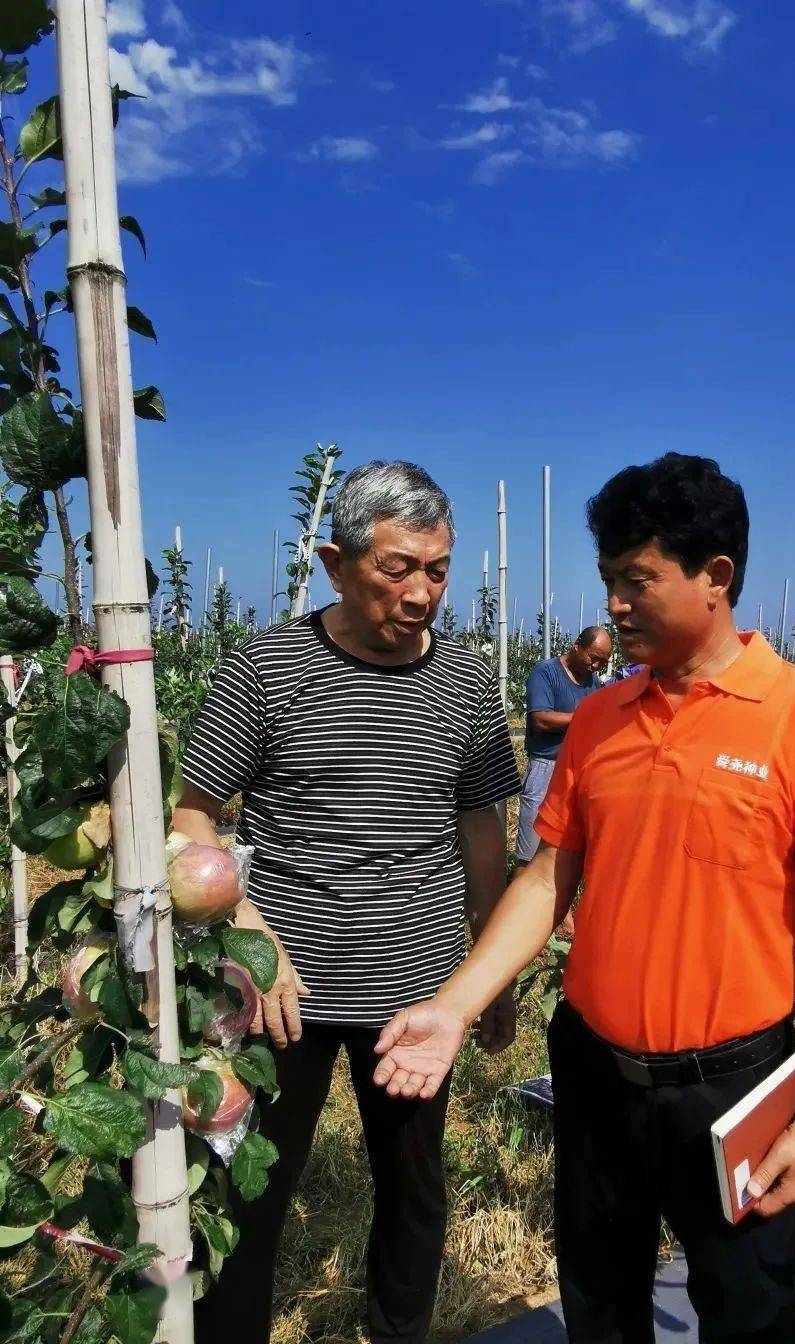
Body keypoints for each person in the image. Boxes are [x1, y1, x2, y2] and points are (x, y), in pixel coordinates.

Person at [370, 453, 795, 1344]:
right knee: (600, 1300)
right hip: (594, 1074)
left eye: (635, 580)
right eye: (608, 579)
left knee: (745, 1309)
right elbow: (546, 878)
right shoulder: (603, 721)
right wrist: (454, 1005)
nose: (613, 604)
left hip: (732, 1089)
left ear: (715, 577)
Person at [177, 460, 521, 1344]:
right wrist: (253, 936)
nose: (422, 592)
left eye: (438, 569)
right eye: (397, 567)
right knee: (249, 1182)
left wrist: (489, 973)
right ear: (336, 562)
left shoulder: (467, 682)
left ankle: (398, 1328)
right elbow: (192, 816)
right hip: (278, 995)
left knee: (412, 1185)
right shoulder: (266, 667)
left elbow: (481, 826)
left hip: (413, 986)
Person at [516, 626, 612, 868]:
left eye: (602, 662)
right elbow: (540, 719)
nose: (596, 667)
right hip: (545, 767)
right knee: (529, 850)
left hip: (577, 769)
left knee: (563, 850)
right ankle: (519, 893)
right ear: (577, 646)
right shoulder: (546, 672)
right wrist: (585, 716)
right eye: (593, 658)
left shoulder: (593, 682)